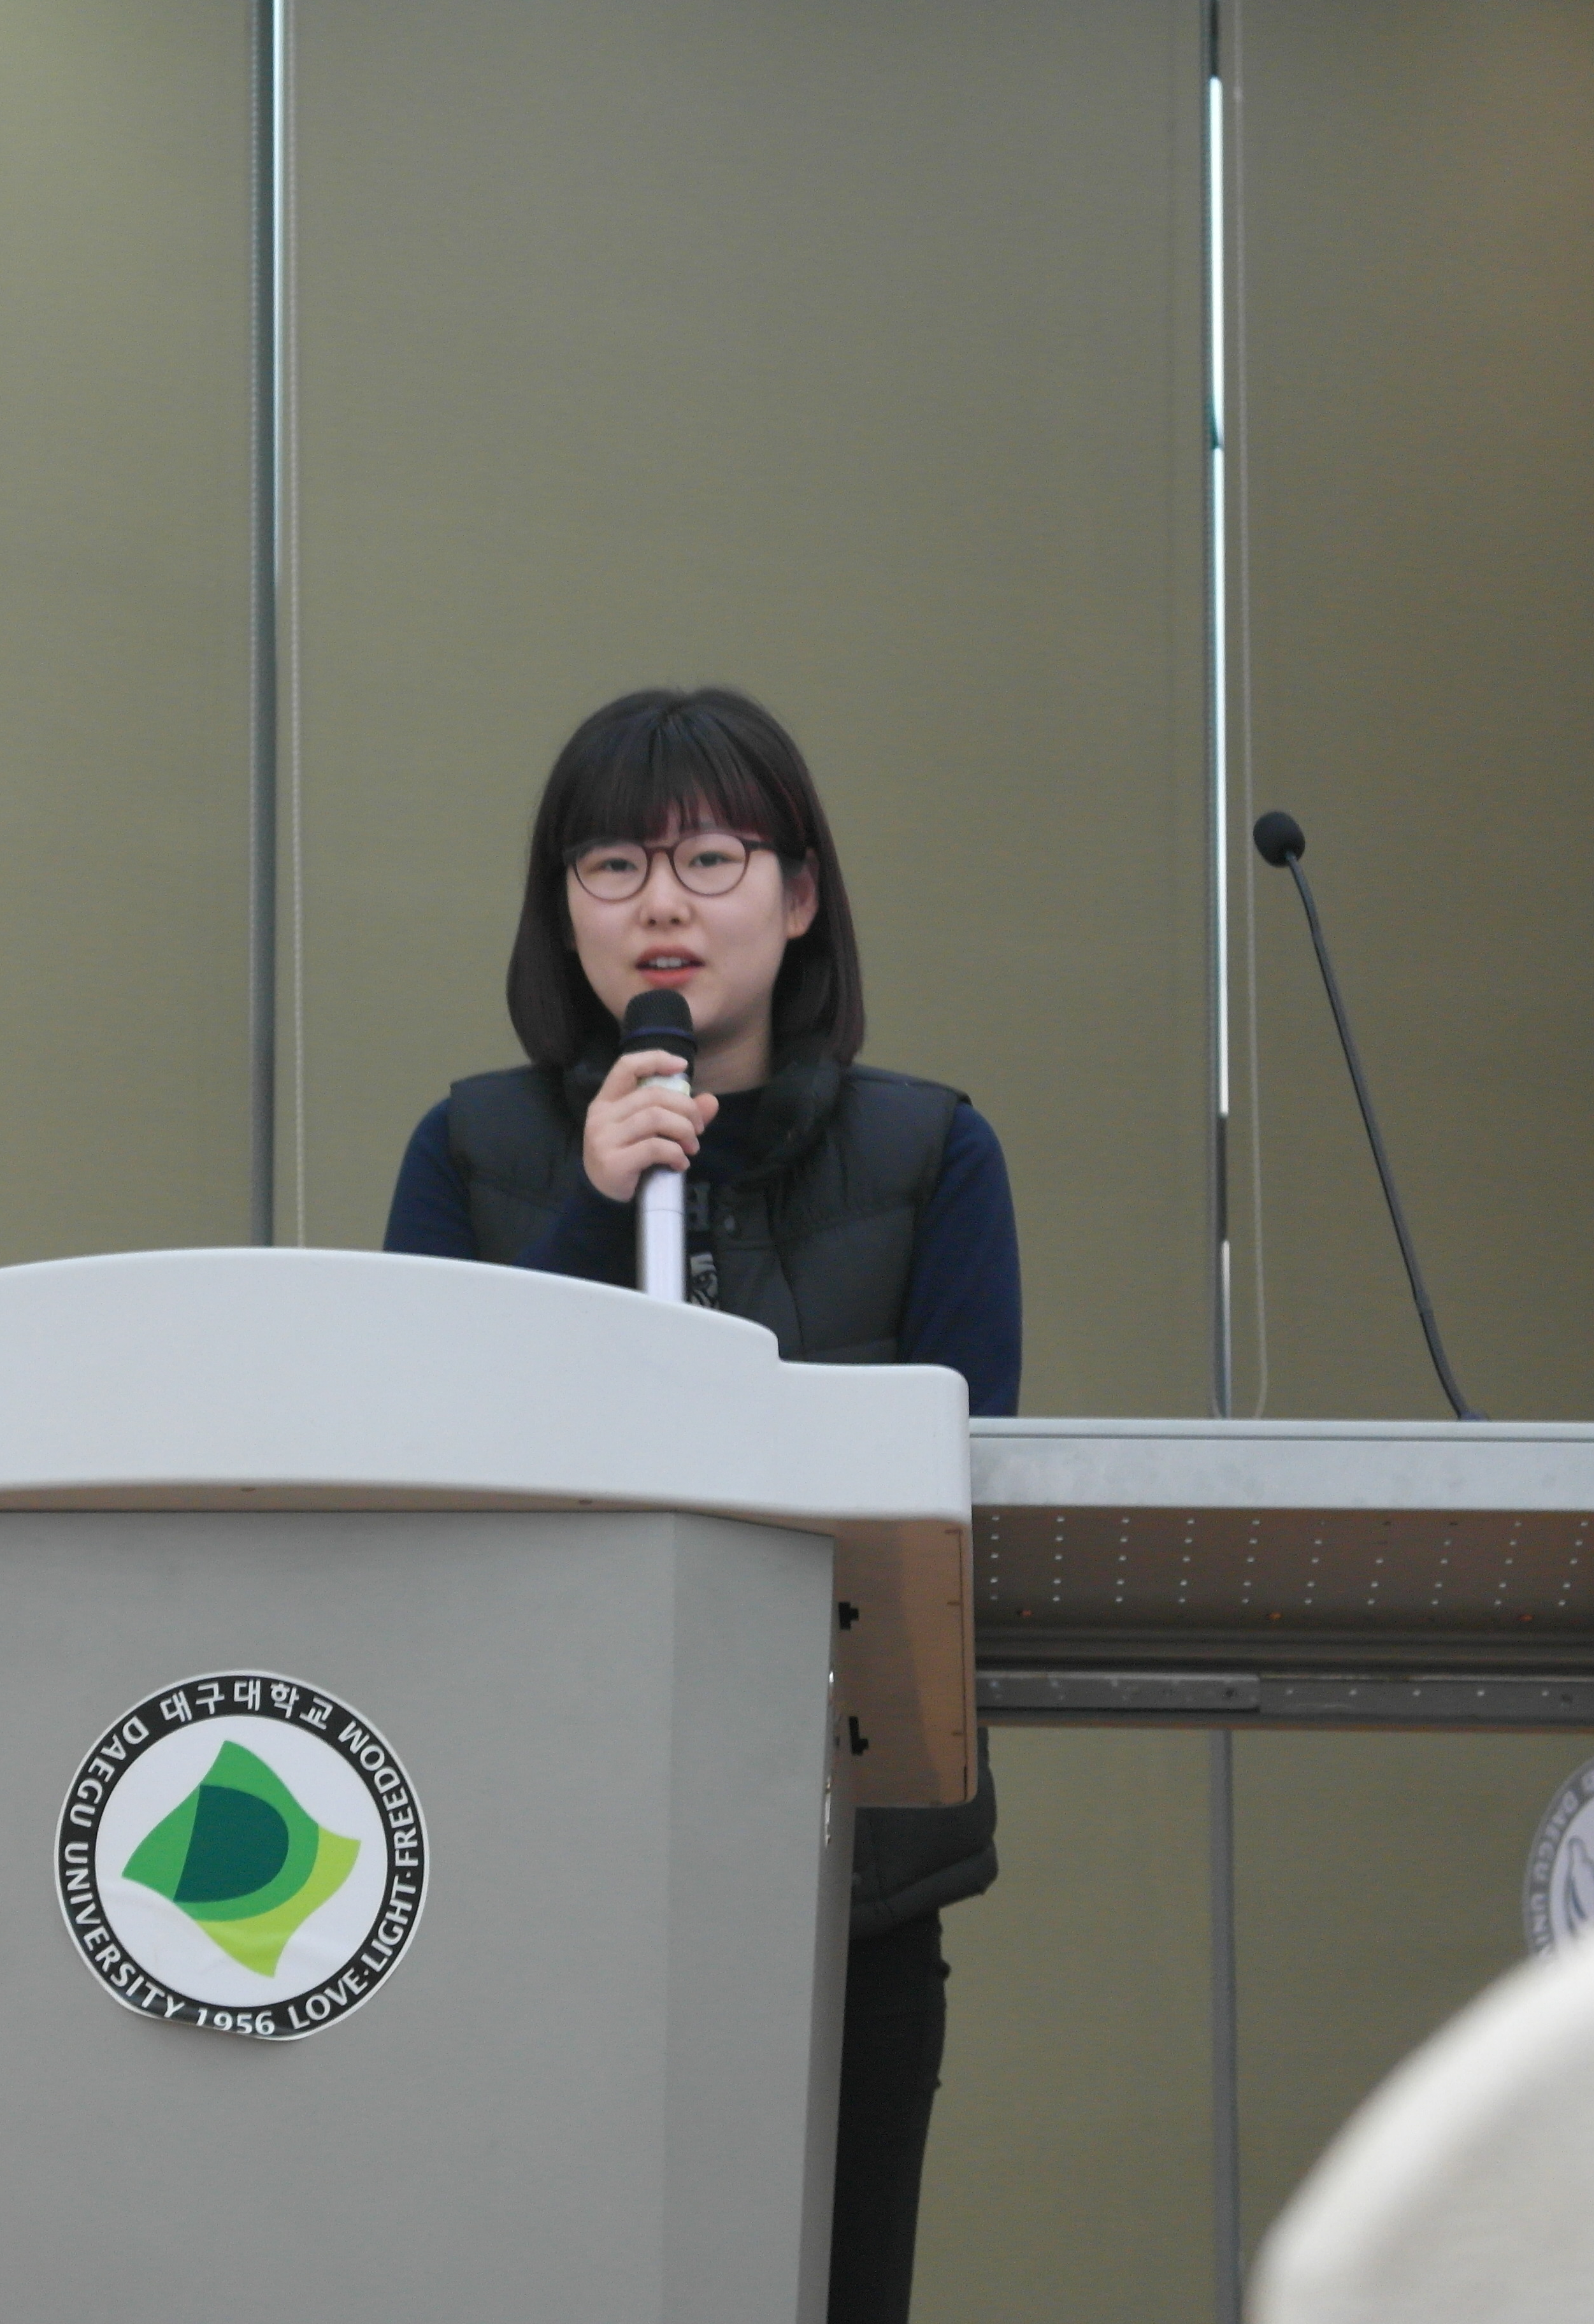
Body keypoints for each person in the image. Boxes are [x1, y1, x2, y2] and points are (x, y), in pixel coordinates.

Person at [380, 685, 1019, 2324]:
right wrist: (596, 1213)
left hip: (845, 1866)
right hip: (533, 1857)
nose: (660, 903)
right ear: (564, 911)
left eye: (710, 859)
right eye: (613, 867)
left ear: (799, 897)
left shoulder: (933, 1154)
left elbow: (954, 1488)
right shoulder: (471, 1148)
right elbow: (421, 1464)